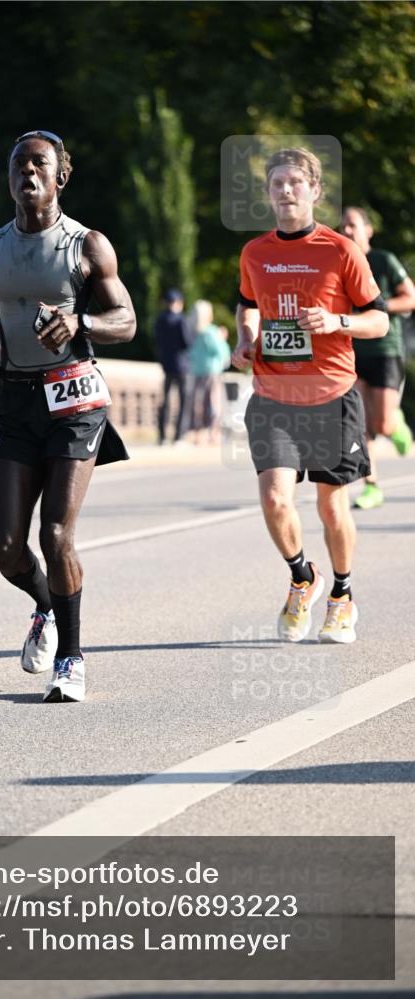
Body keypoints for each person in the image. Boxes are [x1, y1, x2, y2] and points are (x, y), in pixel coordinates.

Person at [0, 130, 135, 703]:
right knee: (5, 547)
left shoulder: (87, 245)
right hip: (16, 400)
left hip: (74, 401)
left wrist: (81, 326)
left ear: (60, 175)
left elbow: (127, 321)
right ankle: (43, 605)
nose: (27, 173)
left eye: (39, 164)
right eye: (18, 164)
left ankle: (71, 656)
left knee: (57, 533)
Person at [232, 147, 388, 645]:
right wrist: (245, 337)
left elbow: (379, 318)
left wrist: (337, 320)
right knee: (277, 498)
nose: (285, 190)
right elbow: (246, 306)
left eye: (295, 182)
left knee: (330, 507)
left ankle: (342, 593)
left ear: (315, 190)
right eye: (277, 182)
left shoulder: (342, 250)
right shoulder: (255, 252)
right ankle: (303, 577)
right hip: (273, 395)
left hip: (331, 395)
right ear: (268, 193)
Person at [340, 207, 415, 509]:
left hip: (386, 350)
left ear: (368, 230)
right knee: (361, 423)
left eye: (352, 225)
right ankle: (371, 486)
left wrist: (377, 309)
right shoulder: (340, 263)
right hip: (353, 352)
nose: (346, 231)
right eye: (342, 226)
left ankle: (396, 424)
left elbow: (411, 297)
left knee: (381, 423)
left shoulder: (383, 260)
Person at [189, 300, 231, 444]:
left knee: (198, 403)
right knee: (214, 403)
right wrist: (223, 338)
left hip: (197, 371)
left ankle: (198, 434)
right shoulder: (212, 332)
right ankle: (214, 433)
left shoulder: (193, 333)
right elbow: (222, 352)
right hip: (212, 371)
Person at [154, 289, 193, 444]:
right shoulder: (181, 320)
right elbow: (187, 342)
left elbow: (157, 341)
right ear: (179, 303)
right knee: (183, 401)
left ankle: (162, 436)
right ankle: (179, 436)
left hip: (166, 364)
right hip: (182, 365)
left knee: (166, 401)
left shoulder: (160, 320)